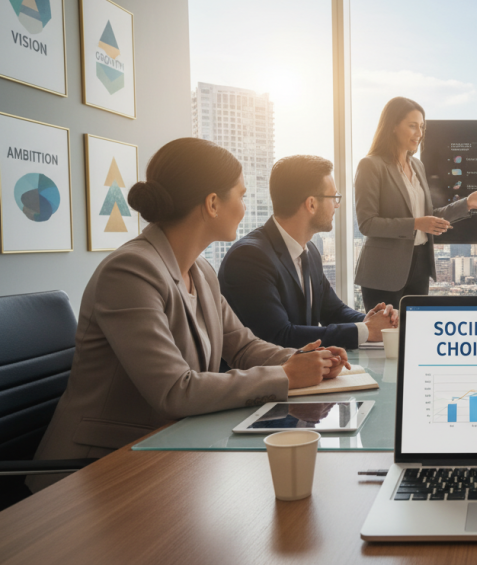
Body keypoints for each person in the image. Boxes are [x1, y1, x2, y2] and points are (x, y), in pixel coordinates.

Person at [29, 139, 349, 492]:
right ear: (213, 203)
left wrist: (306, 360)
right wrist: (287, 376)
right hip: (96, 470)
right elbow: (174, 390)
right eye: (241, 196)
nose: (245, 208)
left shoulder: (201, 271)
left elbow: (242, 347)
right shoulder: (130, 271)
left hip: (168, 451)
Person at [219, 155, 397, 350]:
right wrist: (366, 330)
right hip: (267, 377)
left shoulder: (309, 250)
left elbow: (333, 310)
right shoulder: (249, 258)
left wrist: (373, 320)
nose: (337, 205)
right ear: (311, 204)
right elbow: (279, 336)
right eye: (334, 198)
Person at [354, 97, 477, 308]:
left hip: (420, 264)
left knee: (414, 334)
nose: (419, 133)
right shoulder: (371, 165)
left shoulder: (417, 165)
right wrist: (415, 224)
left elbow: (428, 217)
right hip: (384, 271)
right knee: (385, 337)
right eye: (412, 126)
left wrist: (466, 204)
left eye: (422, 127)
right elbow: (367, 223)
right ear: (393, 126)